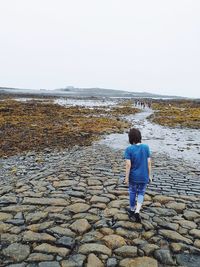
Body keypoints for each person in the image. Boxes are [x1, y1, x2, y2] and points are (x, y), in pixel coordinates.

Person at [124, 128, 152, 223]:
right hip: (144, 176)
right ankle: (137, 211)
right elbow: (149, 163)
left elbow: (128, 165)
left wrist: (126, 177)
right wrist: (149, 175)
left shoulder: (129, 149)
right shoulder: (146, 147)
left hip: (133, 177)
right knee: (141, 193)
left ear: (130, 138)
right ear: (140, 137)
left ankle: (132, 209)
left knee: (132, 192)